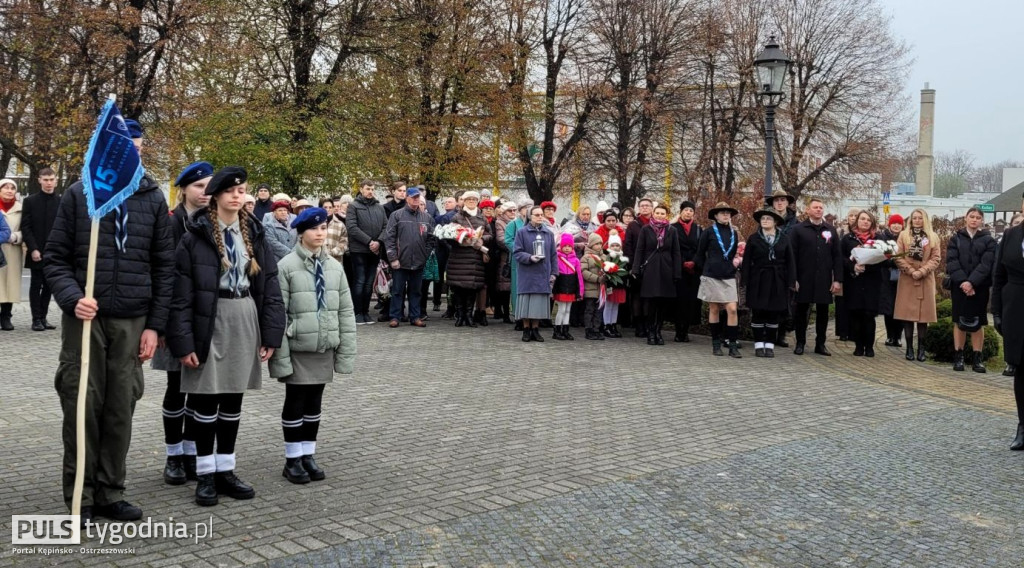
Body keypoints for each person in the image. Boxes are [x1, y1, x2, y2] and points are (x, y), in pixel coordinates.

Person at [45, 119, 174, 523]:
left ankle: (111, 491)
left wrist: (155, 326)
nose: (129, 153)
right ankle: (80, 495)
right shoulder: (80, 194)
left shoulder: (152, 198)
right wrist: (70, 298)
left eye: (135, 146)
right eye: (121, 147)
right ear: (105, 151)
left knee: (121, 407)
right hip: (85, 321)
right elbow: (55, 258)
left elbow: (164, 267)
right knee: (82, 404)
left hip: (133, 320)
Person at [166, 166, 285, 507]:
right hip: (210, 320)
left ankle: (225, 470)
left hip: (244, 316)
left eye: (242, 190)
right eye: (231, 191)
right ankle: (204, 475)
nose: (238, 196)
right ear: (216, 196)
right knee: (204, 401)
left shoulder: (255, 233)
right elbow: (181, 295)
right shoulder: (194, 236)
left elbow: (270, 287)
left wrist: (271, 334)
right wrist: (184, 342)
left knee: (233, 400)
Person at [271, 207, 356, 483]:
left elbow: (345, 312)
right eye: (314, 229)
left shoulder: (334, 267)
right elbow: (279, 314)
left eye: (323, 228)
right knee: (295, 401)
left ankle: (308, 453)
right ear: (301, 232)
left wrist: (344, 352)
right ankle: (292, 458)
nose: (320, 233)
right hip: (298, 347)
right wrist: (280, 356)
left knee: (314, 403)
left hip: (322, 347)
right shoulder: (286, 266)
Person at [153, 161, 213, 486]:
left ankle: (192, 453)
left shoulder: (215, 224)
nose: (205, 193)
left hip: (203, 320)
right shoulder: (169, 223)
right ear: (184, 189)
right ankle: (174, 455)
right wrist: (159, 324)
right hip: (172, 318)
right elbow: (160, 274)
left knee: (200, 390)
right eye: (199, 186)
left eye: (209, 186)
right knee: (176, 389)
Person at [789, 198, 843, 356]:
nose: (819, 210)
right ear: (808, 210)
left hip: (824, 279)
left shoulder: (830, 230)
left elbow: (837, 256)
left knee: (823, 312)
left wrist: (837, 279)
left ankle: (820, 344)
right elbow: (792, 255)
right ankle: (800, 342)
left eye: (821, 207)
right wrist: (793, 278)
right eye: (815, 207)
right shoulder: (798, 229)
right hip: (803, 278)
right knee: (801, 311)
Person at [946, 207, 997, 372]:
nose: (974, 219)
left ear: (982, 220)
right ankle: (958, 356)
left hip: (979, 287)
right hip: (959, 286)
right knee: (959, 321)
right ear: (966, 218)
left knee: (978, 322)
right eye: (972, 216)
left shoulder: (989, 240)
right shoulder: (955, 238)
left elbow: (987, 264)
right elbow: (952, 261)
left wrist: (972, 283)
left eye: (978, 217)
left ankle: (977, 358)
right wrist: (963, 282)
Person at [742, 208, 797, 357]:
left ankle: (770, 345)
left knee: (773, 313)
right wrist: (744, 281)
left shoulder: (784, 238)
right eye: (763, 219)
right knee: (758, 312)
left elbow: (790, 261)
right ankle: (759, 345)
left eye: (768, 219)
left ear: (776, 222)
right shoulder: (754, 238)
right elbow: (747, 261)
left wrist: (792, 280)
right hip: (758, 279)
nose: (765, 221)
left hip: (777, 280)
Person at [992, 206, 1024, 450]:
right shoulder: (1011, 235)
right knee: (1021, 368)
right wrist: (997, 312)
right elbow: (998, 275)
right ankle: (1023, 426)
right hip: (1015, 307)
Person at [384, 186, 435, 327]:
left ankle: (415, 316)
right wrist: (393, 258)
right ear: (407, 198)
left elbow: (431, 239)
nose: (416, 200)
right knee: (397, 291)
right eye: (413, 197)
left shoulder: (427, 218)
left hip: (418, 261)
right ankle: (395, 316)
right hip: (400, 261)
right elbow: (389, 238)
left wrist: (424, 255)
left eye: (418, 197)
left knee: (416, 291)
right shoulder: (397, 215)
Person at [631, 203, 681, 346]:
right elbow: (640, 249)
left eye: (662, 213)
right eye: (657, 213)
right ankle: (650, 332)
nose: (659, 215)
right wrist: (635, 269)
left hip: (666, 268)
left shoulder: (672, 230)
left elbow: (676, 252)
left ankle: (659, 331)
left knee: (663, 303)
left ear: (667, 215)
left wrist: (676, 272)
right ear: (653, 214)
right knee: (651, 302)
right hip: (651, 269)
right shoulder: (646, 229)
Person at [894, 208, 940, 362]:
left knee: (923, 317)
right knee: (907, 316)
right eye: (914, 218)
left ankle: (921, 348)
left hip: (925, 279)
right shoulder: (903, 235)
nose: (917, 220)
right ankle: (909, 348)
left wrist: (922, 271)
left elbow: (936, 258)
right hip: (908, 279)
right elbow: (898, 256)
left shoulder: (933, 237)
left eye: (920, 218)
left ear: (925, 220)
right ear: (910, 220)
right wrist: (910, 270)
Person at [695, 202, 740, 356]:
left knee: (732, 309)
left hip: (728, 275)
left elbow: (734, 253)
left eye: (728, 212)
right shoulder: (708, 232)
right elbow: (700, 254)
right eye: (722, 212)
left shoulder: (734, 232)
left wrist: (735, 265)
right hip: (711, 275)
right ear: (715, 215)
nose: (726, 215)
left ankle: (733, 345)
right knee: (714, 308)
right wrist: (704, 271)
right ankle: (716, 344)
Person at [840, 210, 885, 357]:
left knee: (869, 315)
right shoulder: (848, 239)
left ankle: (869, 347)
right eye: (862, 219)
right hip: (854, 282)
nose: (865, 222)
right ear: (857, 221)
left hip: (872, 281)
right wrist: (853, 266)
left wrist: (876, 259)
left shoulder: (879, 239)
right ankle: (858, 346)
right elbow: (840, 258)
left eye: (868, 220)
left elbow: (887, 258)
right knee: (856, 314)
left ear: (872, 223)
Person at [21, 167, 61, 331]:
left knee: (49, 286)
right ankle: (36, 319)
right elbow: (26, 227)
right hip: (36, 249)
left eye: (51, 179)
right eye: (45, 180)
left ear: (56, 180)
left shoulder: (61, 201)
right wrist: (33, 249)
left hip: (54, 251)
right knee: (36, 284)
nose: (49, 183)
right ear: (39, 180)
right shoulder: (30, 201)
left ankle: (43, 318)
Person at [513, 206, 558, 341]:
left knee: (538, 303)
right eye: (536, 215)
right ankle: (526, 329)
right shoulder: (522, 232)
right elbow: (517, 252)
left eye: (541, 215)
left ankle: (535, 329)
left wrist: (554, 273)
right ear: (529, 217)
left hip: (542, 273)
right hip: (527, 273)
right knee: (527, 302)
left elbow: (553, 255)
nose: (539, 217)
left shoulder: (548, 233)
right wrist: (529, 257)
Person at [447, 191, 492, 327]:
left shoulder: (482, 218)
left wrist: (481, 239)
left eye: (474, 199)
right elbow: (449, 235)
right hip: (459, 257)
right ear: (464, 201)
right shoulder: (456, 217)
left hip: (475, 258)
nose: (472, 201)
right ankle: (460, 316)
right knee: (459, 288)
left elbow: (490, 234)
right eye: (469, 199)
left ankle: (469, 315)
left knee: (472, 288)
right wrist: (461, 238)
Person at [346, 180, 387, 325]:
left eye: (372, 189)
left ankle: (366, 312)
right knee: (360, 281)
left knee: (369, 283)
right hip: (359, 250)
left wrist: (378, 242)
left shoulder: (379, 207)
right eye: (368, 188)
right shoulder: (353, 206)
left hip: (375, 250)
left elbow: (385, 227)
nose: (370, 191)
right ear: (361, 190)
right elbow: (352, 227)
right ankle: (357, 312)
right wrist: (369, 241)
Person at [765, 190, 798, 347]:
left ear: (787, 203)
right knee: (769, 299)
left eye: (782, 200)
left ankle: (782, 334)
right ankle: (768, 332)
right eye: (777, 200)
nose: (779, 203)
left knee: (786, 302)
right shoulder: (766, 219)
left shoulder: (795, 223)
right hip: (769, 266)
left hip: (787, 266)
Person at [672, 201, 702, 343]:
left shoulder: (698, 229)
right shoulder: (673, 228)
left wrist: (694, 262)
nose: (688, 212)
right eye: (686, 210)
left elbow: (701, 249)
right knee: (679, 301)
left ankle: (686, 330)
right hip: (679, 269)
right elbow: (672, 248)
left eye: (691, 210)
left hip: (694, 270)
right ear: (681, 211)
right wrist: (682, 262)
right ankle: (679, 330)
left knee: (691, 301)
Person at [624, 199, 654, 336]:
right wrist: (631, 265)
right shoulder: (633, 225)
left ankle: (648, 324)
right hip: (636, 264)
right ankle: (638, 325)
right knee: (636, 295)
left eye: (647, 206)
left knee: (649, 296)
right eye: (642, 206)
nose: (645, 208)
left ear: (652, 208)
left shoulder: (656, 223)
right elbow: (628, 246)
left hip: (652, 265)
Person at [551, 232, 583, 340]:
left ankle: (565, 330)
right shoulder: (557, 258)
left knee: (568, 309)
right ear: (561, 246)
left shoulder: (576, 260)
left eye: (569, 246)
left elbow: (579, 277)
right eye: (565, 246)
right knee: (561, 309)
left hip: (572, 287)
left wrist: (580, 291)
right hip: (561, 287)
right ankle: (557, 330)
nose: (567, 248)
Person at [0, 178, 23, 330]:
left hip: (14, 249)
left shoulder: (21, 208)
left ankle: (6, 317)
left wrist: (17, 237)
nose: (9, 191)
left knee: (11, 284)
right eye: (5, 187)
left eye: (12, 188)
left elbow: (27, 228)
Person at [505, 199, 531, 327]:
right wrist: (520, 251)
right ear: (520, 210)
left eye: (530, 207)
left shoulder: (534, 224)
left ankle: (529, 315)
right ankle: (518, 316)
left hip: (532, 261)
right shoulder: (514, 224)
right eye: (526, 208)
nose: (528, 210)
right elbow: (508, 240)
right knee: (517, 288)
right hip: (518, 261)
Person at [880, 214, 904, 347]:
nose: (896, 226)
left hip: (903, 277)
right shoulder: (883, 238)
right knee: (888, 307)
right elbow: (881, 256)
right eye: (894, 223)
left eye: (899, 223)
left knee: (900, 307)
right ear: (889, 225)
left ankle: (898, 336)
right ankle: (890, 336)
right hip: (886, 276)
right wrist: (891, 261)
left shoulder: (905, 238)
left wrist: (900, 262)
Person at [493, 201, 517, 323]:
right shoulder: (499, 222)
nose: (513, 213)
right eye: (510, 210)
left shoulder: (518, 222)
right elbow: (501, 240)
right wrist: (519, 245)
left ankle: (511, 313)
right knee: (504, 287)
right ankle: (504, 313)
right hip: (505, 258)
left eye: (514, 210)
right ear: (504, 212)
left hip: (516, 257)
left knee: (512, 286)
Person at [602, 232, 628, 337]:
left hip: (620, 286)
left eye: (617, 245)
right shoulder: (608, 257)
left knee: (616, 306)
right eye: (613, 245)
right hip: (611, 286)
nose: (615, 247)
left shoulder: (623, 259)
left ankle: (613, 325)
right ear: (609, 246)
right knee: (608, 305)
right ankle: (606, 325)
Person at [581, 234, 605, 340]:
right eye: (596, 244)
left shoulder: (604, 257)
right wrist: (596, 278)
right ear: (591, 245)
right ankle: (588, 329)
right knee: (589, 310)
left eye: (600, 243)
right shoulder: (586, 257)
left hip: (601, 290)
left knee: (599, 311)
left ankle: (596, 329)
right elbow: (583, 272)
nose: (599, 246)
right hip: (590, 289)